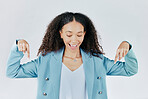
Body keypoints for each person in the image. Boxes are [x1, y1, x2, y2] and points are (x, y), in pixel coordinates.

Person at [6, 12, 138, 99]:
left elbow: (130, 70)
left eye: (79, 35)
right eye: (69, 35)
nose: (74, 40)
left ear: (85, 34)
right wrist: (18, 46)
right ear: (60, 34)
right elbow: (13, 72)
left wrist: (127, 46)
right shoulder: (45, 61)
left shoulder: (97, 61)